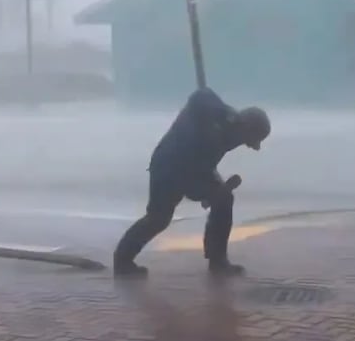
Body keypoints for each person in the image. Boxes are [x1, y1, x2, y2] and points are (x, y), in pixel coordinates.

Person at [113, 88, 270, 278]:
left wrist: (213, 192)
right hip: (168, 166)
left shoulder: (231, 130)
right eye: (251, 139)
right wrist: (211, 115)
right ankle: (122, 260)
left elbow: (204, 165)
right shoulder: (215, 115)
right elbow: (200, 96)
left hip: (197, 167)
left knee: (224, 200)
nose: (248, 144)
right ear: (245, 126)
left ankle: (217, 260)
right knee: (158, 218)